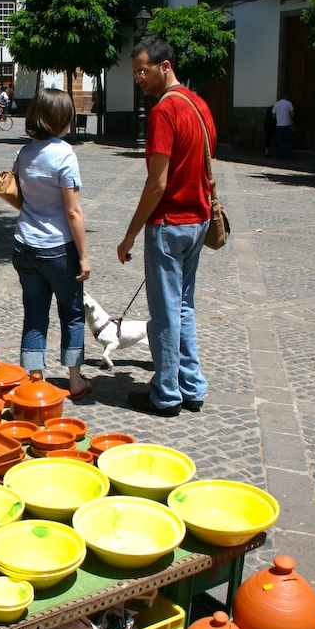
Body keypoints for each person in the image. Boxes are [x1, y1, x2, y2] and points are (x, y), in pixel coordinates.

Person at [117, 35, 215, 416]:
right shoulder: (199, 105)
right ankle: (192, 386)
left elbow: (157, 183)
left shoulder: (164, 111)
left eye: (143, 71)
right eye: (135, 73)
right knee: (184, 306)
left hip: (170, 223)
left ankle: (166, 394)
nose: (138, 79)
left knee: (165, 312)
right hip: (199, 220)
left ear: (165, 66)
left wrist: (130, 234)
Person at [12, 88, 91, 398]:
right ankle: (75, 380)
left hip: (24, 244)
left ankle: (35, 381)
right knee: (71, 313)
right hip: (58, 247)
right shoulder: (65, 154)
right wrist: (83, 256)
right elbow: (73, 211)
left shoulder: (25, 153)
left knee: (34, 312)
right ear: (62, 119)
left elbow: (20, 196)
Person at [272, 92, 294, 160]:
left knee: (280, 141)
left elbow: (273, 115)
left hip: (279, 125)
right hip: (287, 124)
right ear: (287, 97)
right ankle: (289, 156)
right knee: (289, 141)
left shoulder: (276, 104)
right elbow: (292, 114)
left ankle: (280, 156)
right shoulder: (289, 103)